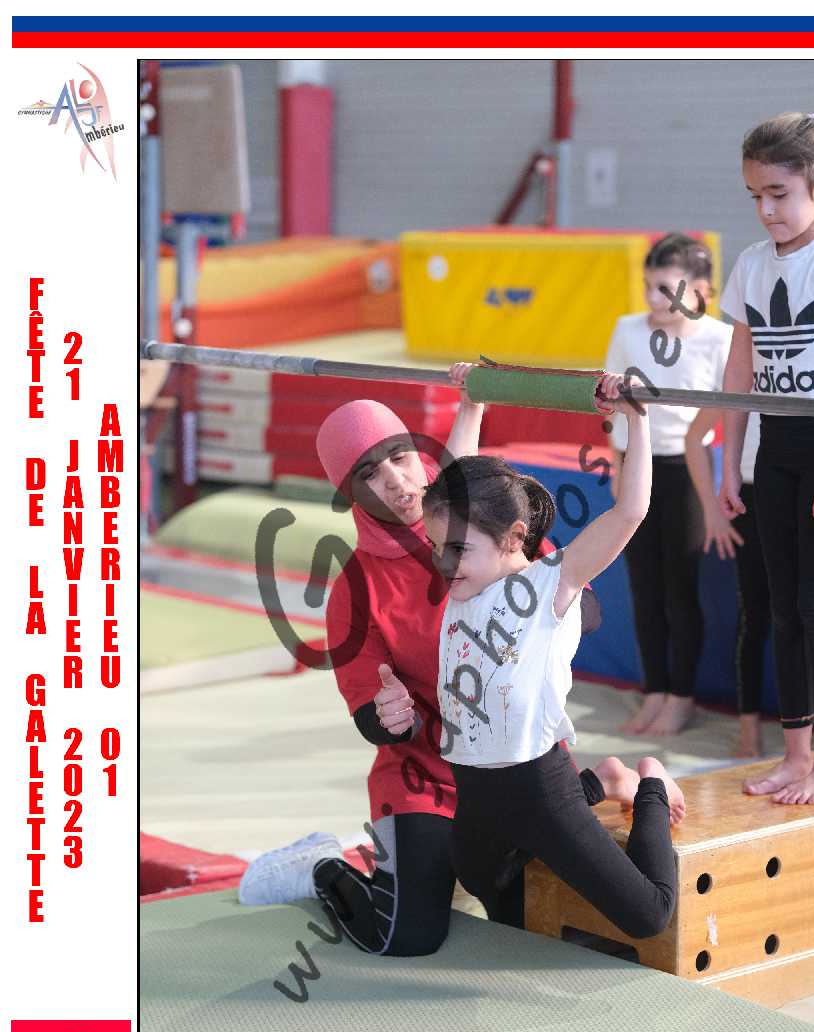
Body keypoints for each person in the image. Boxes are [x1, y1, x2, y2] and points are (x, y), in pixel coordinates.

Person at [238, 370, 614, 955]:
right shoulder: (355, 589)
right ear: (349, 494)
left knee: (549, 916)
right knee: (407, 936)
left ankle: (603, 782)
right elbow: (371, 715)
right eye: (368, 473)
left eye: (399, 456)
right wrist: (390, 716)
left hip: (518, 764)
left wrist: (555, 605)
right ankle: (320, 866)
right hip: (425, 779)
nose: (394, 480)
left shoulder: (483, 517)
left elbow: (586, 613)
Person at [417, 374, 684, 936]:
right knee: (485, 882)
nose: (442, 562)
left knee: (648, 916)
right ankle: (602, 780)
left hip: (539, 786)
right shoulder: (464, 580)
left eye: (456, 549)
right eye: (438, 547)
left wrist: (636, 419)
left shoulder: (549, 585)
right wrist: (471, 403)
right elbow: (453, 481)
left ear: (514, 537)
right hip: (474, 785)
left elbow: (630, 510)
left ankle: (650, 782)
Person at [719, 111, 814, 804]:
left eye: (779, 193)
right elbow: (738, 373)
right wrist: (729, 464)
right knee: (782, 610)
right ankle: (797, 755)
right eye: (755, 196)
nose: (766, 209)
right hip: (773, 449)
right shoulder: (751, 264)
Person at [604, 233, 733, 735]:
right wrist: (618, 469)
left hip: (685, 470)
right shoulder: (627, 329)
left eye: (665, 289)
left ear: (700, 289)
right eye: (647, 287)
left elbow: (728, 415)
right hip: (635, 464)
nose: (653, 300)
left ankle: (681, 696)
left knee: (680, 587)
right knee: (644, 586)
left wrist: (719, 492)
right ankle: (654, 690)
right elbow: (611, 404)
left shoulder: (719, 338)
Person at [686, 410, 771, 758]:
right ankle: (749, 727)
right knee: (753, 615)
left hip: (804, 484)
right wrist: (712, 509)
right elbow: (695, 436)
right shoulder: (738, 379)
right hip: (749, 492)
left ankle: (810, 730)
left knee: (806, 617)